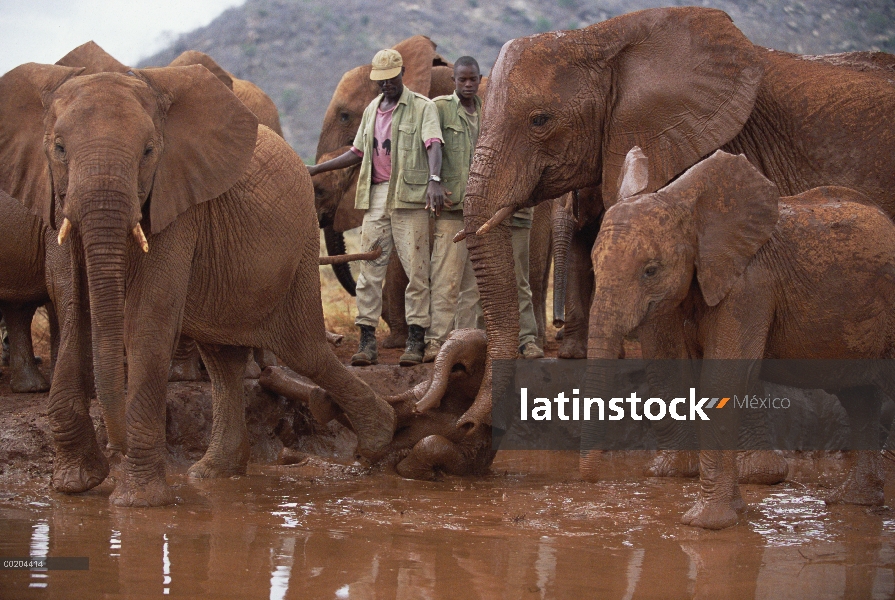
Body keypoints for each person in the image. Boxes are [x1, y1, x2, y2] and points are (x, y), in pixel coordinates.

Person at [309, 48, 444, 367]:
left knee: (417, 270)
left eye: (391, 79)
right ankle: (366, 340)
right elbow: (357, 152)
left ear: (402, 74)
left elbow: (433, 144)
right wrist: (319, 170)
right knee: (370, 268)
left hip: (410, 195)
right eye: (380, 81)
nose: (386, 85)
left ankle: (416, 339)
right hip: (377, 194)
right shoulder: (372, 110)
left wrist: (434, 178)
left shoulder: (422, 108)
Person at [426, 57, 544, 361]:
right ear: (454, 79)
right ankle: (466, 342)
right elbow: (429, 147)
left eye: (473, 80)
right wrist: (432, 182)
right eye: (462, 80)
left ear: (481, 80)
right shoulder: (441, 109)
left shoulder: (499, 115)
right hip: (467, 209)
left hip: (506, 209)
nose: (468, 85)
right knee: (467, 279)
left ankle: (526, 338)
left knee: (517, 278)